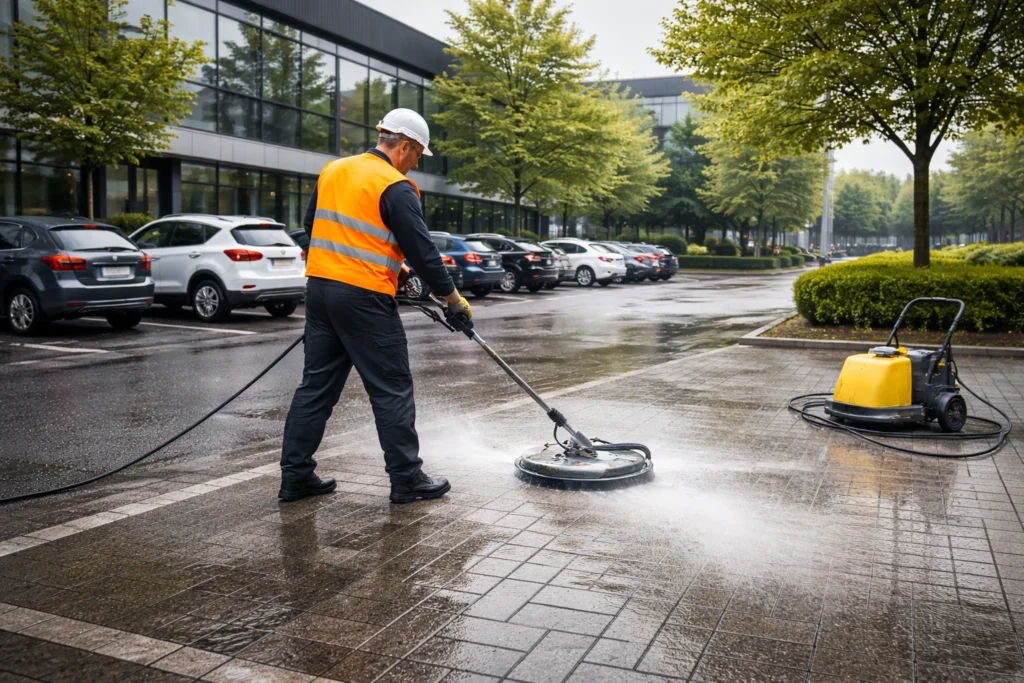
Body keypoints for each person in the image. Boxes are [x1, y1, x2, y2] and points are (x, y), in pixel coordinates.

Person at [279, 108, 472, 504]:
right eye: (417, 155)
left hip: (320, 292)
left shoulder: (333, 170)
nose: (416, 164)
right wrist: (453, 300)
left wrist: (392, 269)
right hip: (364, 298)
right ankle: (407, 479)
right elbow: (424, 252)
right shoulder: (395, 186)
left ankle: (295, 478)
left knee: (315, 388)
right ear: (405, 147)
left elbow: (313, 227)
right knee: (391, 388)